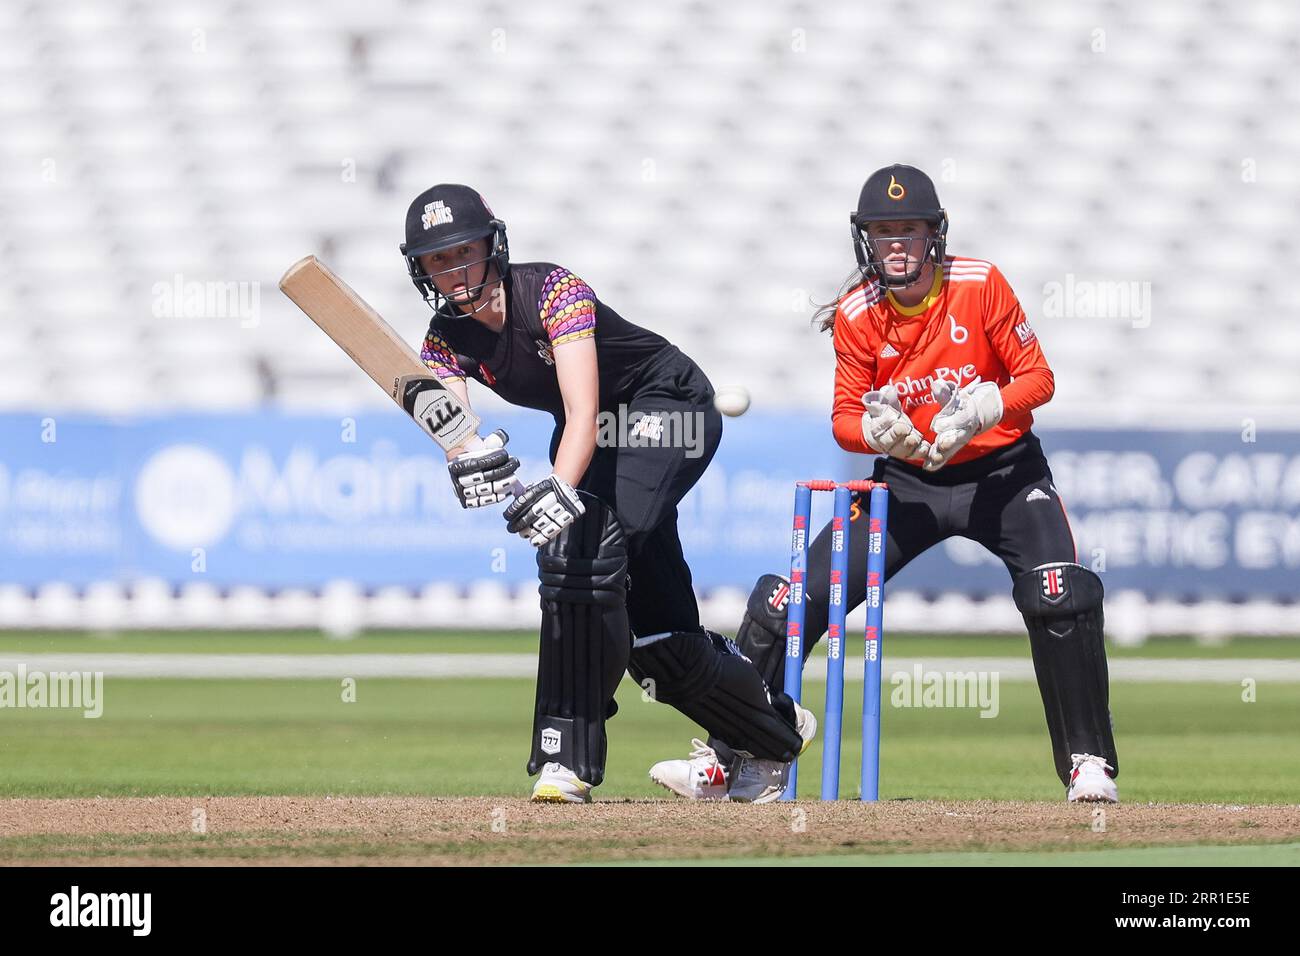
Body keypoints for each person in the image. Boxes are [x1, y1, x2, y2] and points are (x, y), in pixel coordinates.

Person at [651, 164, 1119, 803]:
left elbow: (1039, 379)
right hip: (906, 484)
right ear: (864, 239)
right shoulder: (858, 311)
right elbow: (845, 419)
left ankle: (1087, 762)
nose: (895, 242)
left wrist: (988, 407)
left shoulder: (981, 285)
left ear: (935, 235)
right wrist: (881, 436)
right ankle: (731, 758)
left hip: (1004, 475)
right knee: (783, 605)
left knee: (1058, 595)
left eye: (909, 229)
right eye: (882, 230)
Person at [401, 184, 814, 804]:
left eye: (464, 252)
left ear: (494, 245)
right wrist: (468, 459)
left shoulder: (551, 291)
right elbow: (457, 427)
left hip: (668, 409)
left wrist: (561, 489)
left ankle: (563, 757)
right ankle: (771, 730)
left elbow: (584, 406)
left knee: (583, 552)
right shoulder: (443, 339)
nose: (454, 272)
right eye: (437, 260)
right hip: (593, 438)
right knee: (658, 642)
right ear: (420, 270)